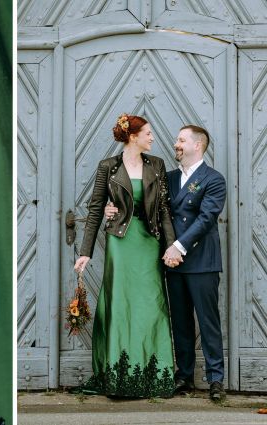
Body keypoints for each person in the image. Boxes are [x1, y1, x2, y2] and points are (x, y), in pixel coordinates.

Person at [108, 125, 227, 401]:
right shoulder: (168, 178)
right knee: (181, 322)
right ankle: (184, 376)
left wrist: (178, 246)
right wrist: (112, 208)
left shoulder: (213, 179)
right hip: (173, 263)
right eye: (177, 140)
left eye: (181, 140)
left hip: (201, 262)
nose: (176, 144)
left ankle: (216, 379)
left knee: (208, 321)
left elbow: (205, 218)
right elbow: (148, 208)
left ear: (198, 145)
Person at [74, 114, 176, 398]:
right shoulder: (108, 167)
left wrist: (171, 245)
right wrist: (85, 252)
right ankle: (119, 378)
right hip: (120, 242)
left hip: (149, 241)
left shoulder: (156, 165)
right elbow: (96, 209)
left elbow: (164, 209)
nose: (153, 138)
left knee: (150, 304)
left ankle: (153, 376)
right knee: (120, 305)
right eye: (148, 133)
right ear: (132, 136)